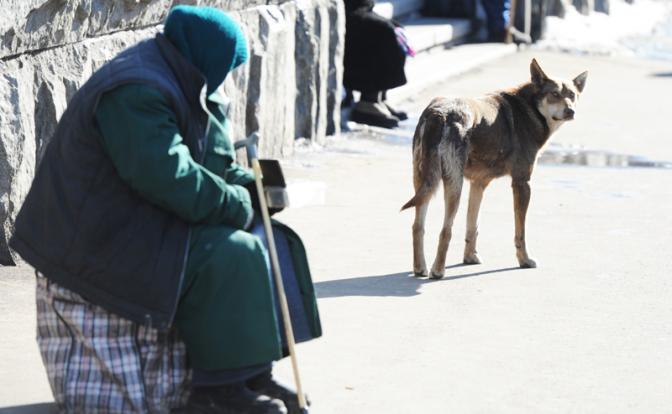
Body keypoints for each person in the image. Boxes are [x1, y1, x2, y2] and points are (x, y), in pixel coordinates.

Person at [10, 6, 320, 414]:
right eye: (227, 68)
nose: (226, 80)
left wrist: (256, 190)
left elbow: (212, 161)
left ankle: (250, 374)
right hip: (93, 242)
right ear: (210, 58)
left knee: (269, 241)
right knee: (232, 252)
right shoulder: (137, 89)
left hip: (132, 220)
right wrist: (236, 202)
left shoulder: (180, 76)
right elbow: (169, 176)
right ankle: (215, 391)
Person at [343, 0, 410, 129]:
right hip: (346, 10)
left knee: (396, 28)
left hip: (361, 8)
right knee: (383, 31)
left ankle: (380, 97)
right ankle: (368, 101)